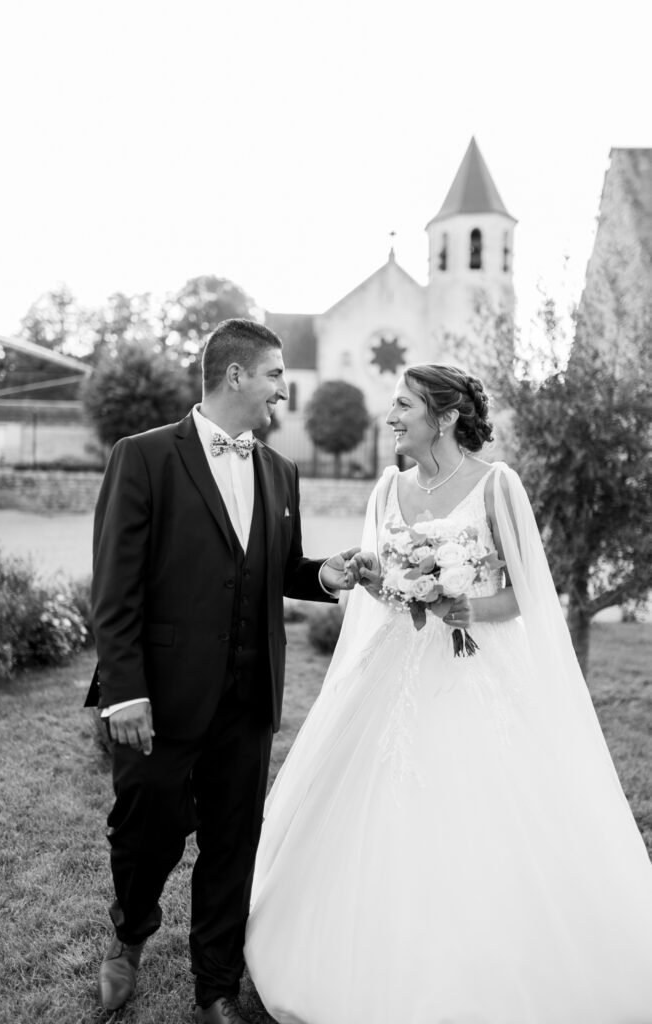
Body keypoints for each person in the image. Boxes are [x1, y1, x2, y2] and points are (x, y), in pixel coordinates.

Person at [244, 364, 652, 1023]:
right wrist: (373, 576)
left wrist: (466, 605)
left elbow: (527, 594)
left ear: (447, 416)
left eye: (404, 405)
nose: (392, 416)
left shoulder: (497, 486)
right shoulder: (387, 488)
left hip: (474, 670)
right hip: (393, 668)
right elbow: (382, 588)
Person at [85, 318, 366, 1024]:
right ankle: (128, 939)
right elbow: (115, 589)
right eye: (275, 375)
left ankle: (215, 986)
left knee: (232, 844)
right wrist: (125, 692)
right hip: (160, 697)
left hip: (249, 698)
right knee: (145, 833)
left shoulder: (279, 471)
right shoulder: (144, 456)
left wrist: (325, 574)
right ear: (236, 375)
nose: (282, 389)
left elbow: (278, 567)